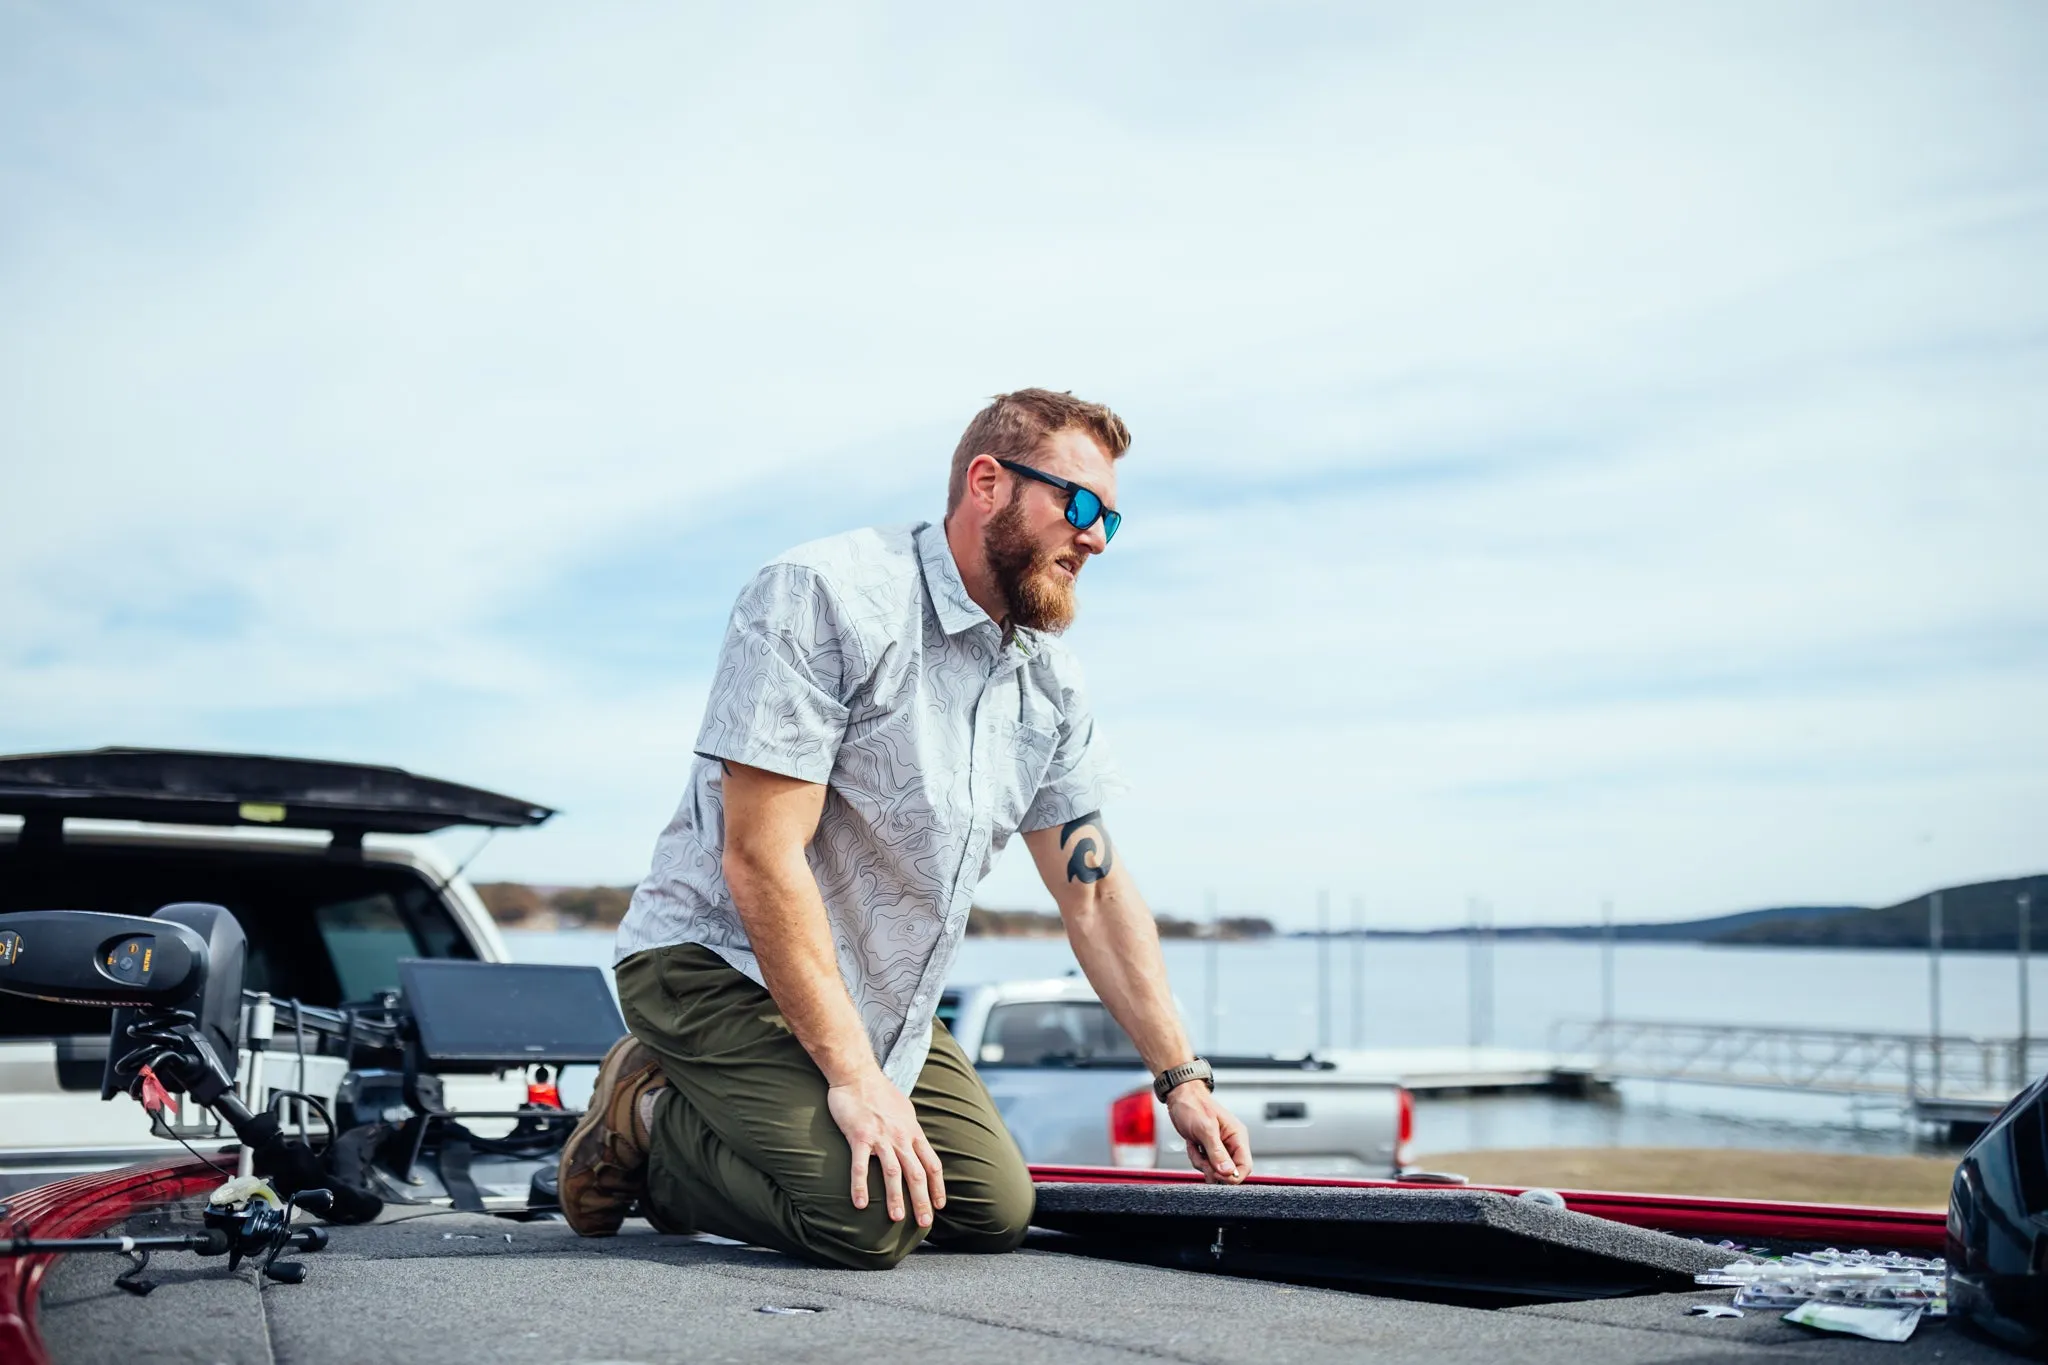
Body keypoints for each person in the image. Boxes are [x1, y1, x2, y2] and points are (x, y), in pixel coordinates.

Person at [558, 388, 1253, 1269]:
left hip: (878, 998)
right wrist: (854, 1081)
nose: (1097, 539)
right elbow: (759, 855)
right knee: (869, 1222)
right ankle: (648, 1117)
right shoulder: (825, 595)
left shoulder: (1050, 682)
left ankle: (734, 1113)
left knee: (993, 1212)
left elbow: (1095, 893)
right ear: (988, 483)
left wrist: (1180, 1080)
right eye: (1077, 505)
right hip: (714, 963)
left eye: (1113, 517)